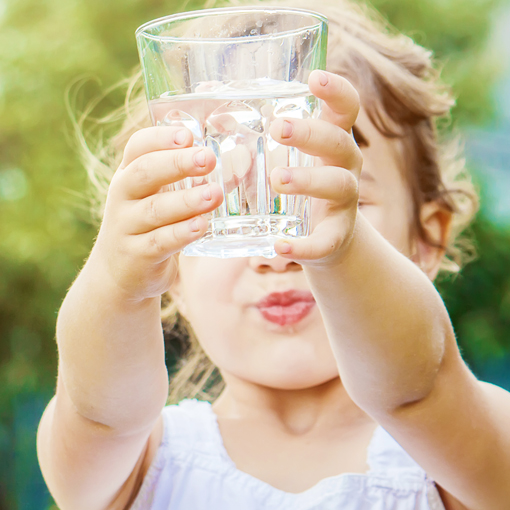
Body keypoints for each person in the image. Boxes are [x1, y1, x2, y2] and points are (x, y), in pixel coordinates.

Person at [36, 0, 510, 509]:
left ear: (427, 239)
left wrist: (343, 255)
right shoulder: (141, 462)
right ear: (169, 269)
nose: (279, 255)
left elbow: (416, 387)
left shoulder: (454, 452)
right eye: (226, 199)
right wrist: (116, 278)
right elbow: (98, 412)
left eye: (335, 201)